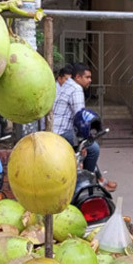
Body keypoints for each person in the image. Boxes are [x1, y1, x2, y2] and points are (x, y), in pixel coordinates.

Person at [53, 62, 116, 192]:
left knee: (87, 146)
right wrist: (83, 140)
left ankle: (97, 179)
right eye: (87, 77)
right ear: (78, 77)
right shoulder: (76, 89)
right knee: (93, 149)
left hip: (56, 129)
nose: (90, 80)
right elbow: (80, 118)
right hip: (62, 132)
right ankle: (86, 182)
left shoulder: (66, 85)